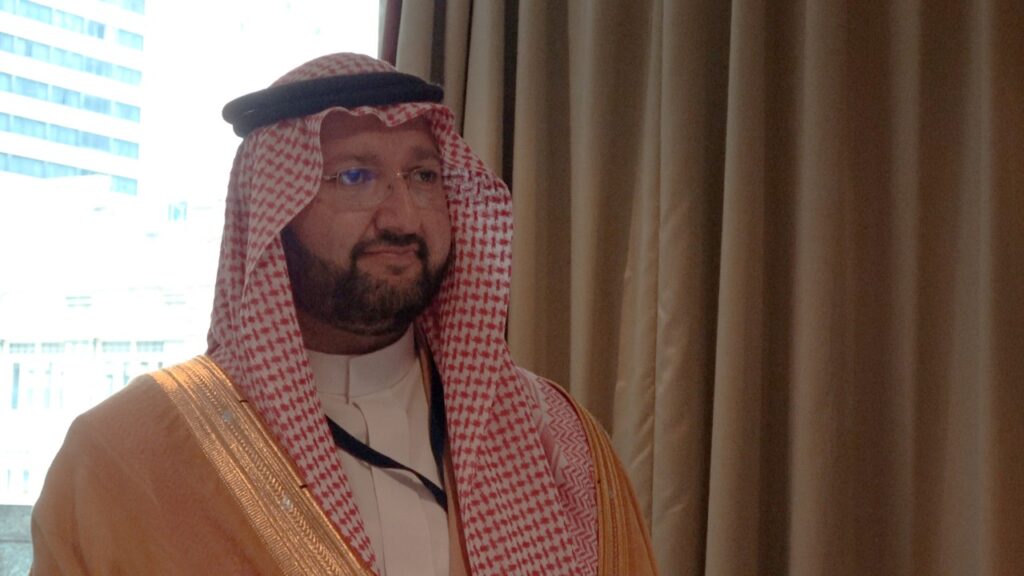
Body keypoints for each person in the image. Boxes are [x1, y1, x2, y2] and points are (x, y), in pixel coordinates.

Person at [30, 53, 657, 575]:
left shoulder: (560, 442)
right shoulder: (124, 455)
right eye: (354, 177)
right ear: (272, 214)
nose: (403, 217)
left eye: (424, 175)